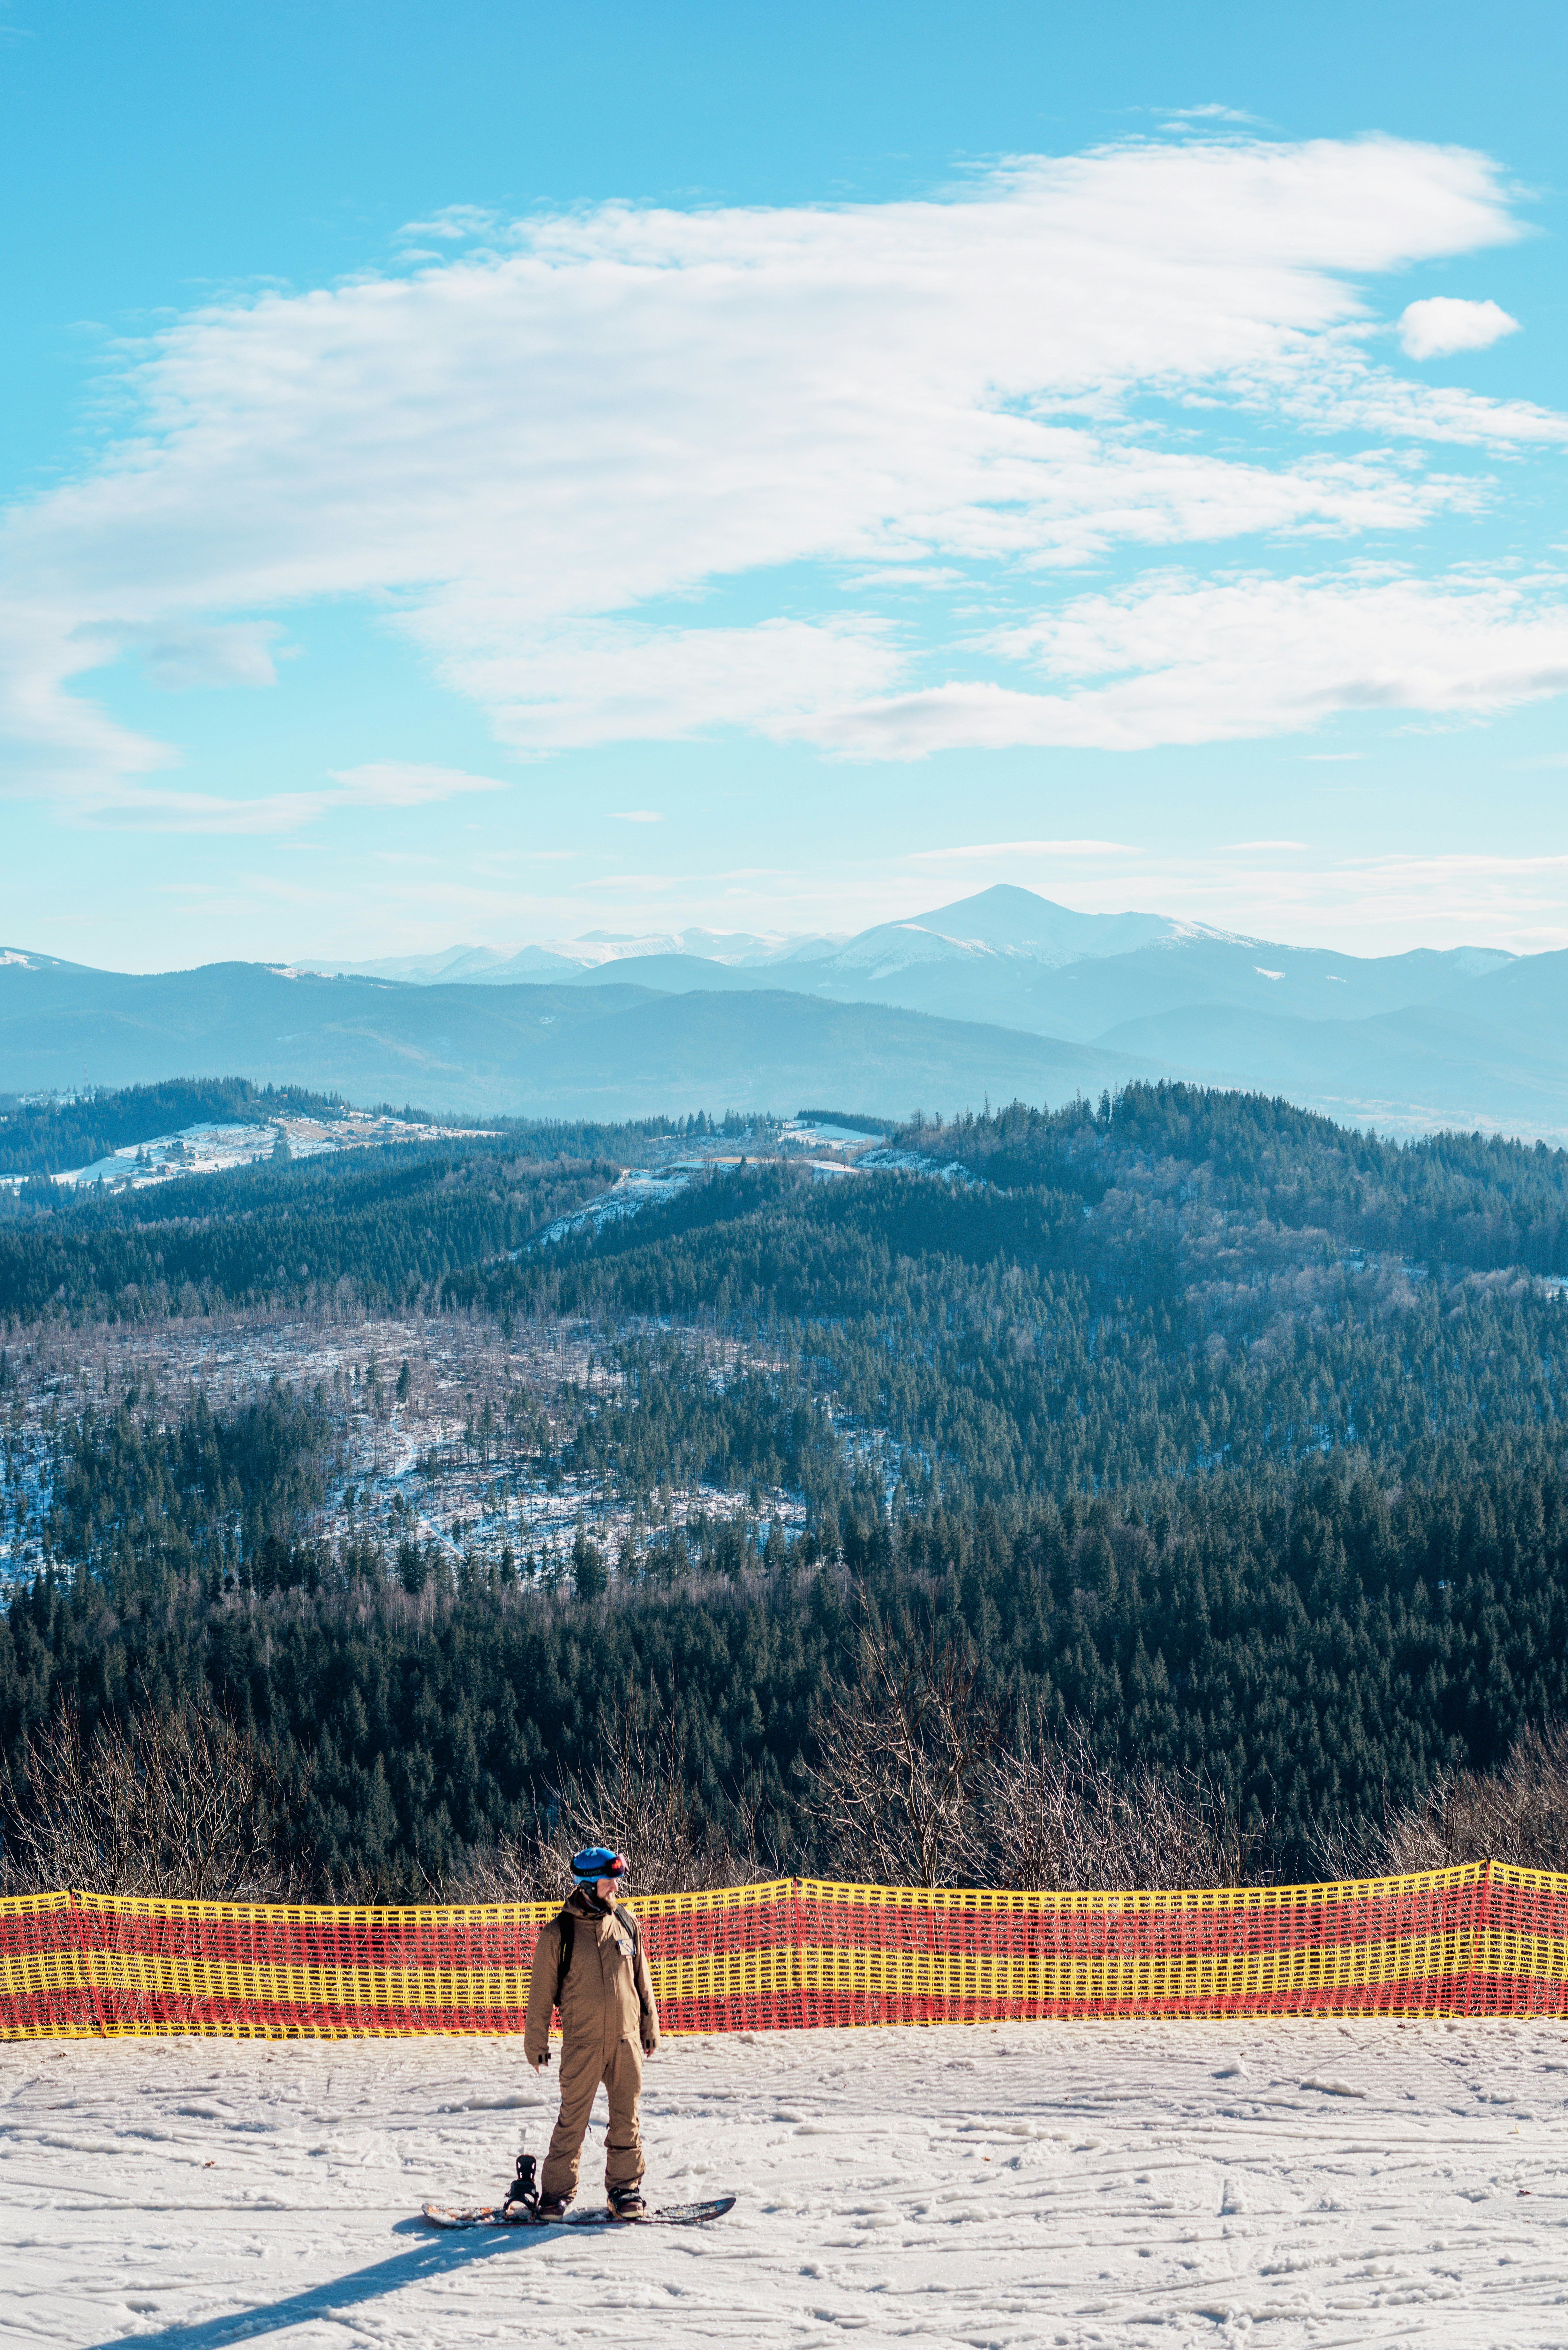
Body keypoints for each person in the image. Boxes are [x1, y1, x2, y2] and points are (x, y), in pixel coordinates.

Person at [522, 1845, 660, 2219]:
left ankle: (625, 2190)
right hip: (583, 2043)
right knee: (573, 2119)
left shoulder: (627, 1923)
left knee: (626, 2117)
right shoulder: (558, 1934)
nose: (616, 1885)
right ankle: (555, 2194)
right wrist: (536, 2044)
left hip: (627, 2040)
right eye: (609, 1879)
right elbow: (540, 1997)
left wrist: (649, 2028)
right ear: (588, 1884)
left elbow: (641, 1982)